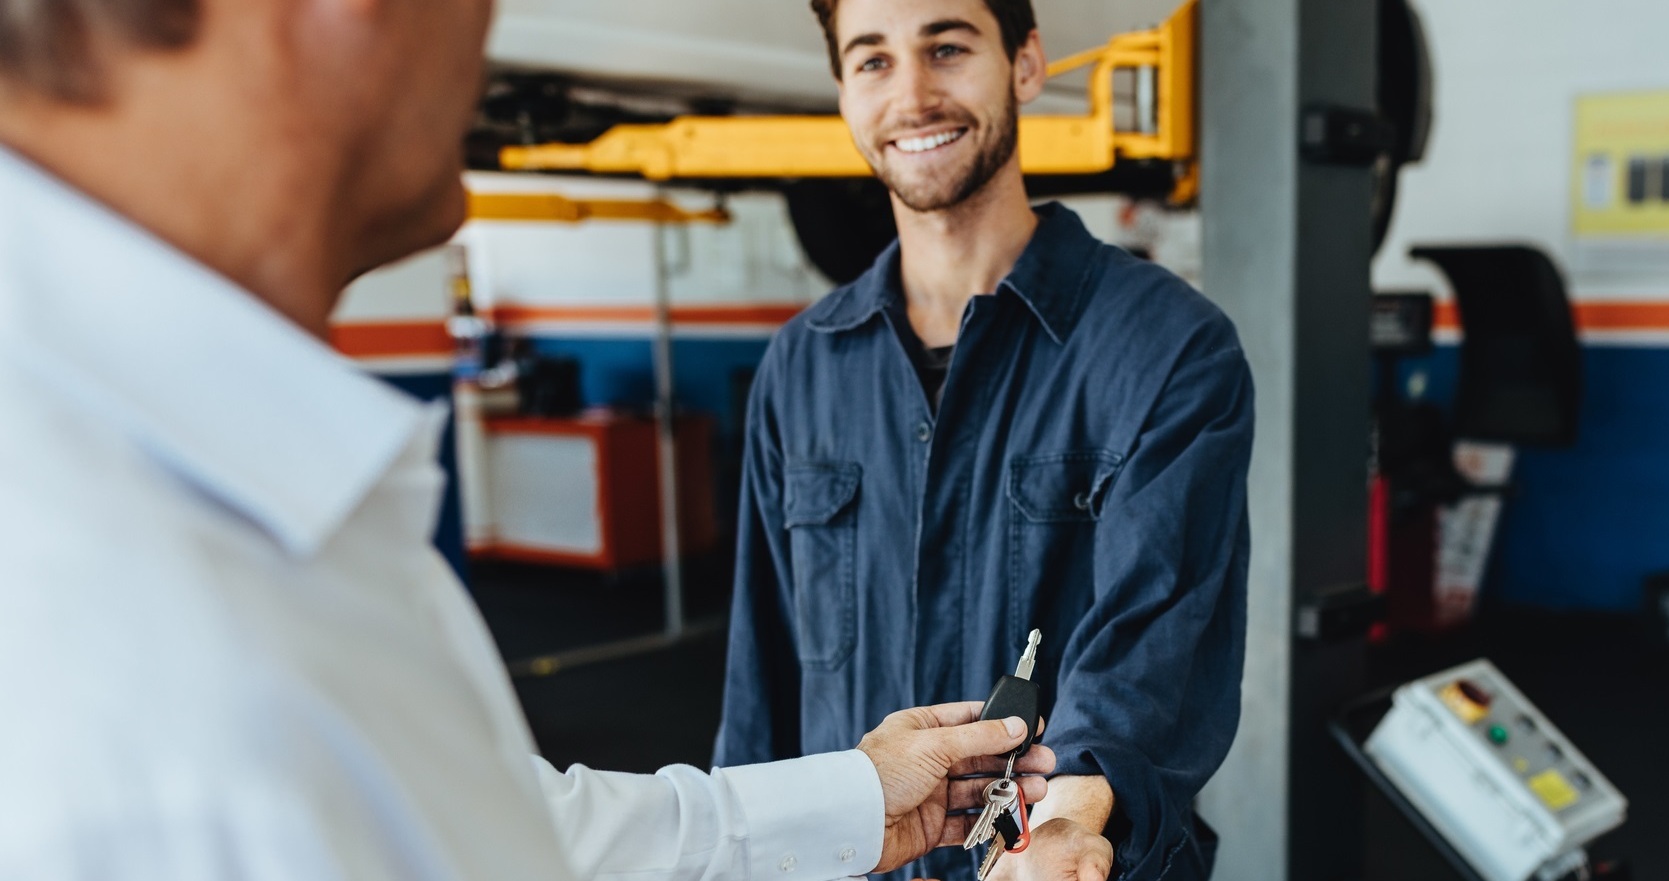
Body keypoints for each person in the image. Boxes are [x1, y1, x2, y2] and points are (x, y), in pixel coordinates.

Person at [0, 1, 1056, 878]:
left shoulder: (202, 505)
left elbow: (512, 835)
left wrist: (858, 794)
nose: (482, 27)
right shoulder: (111, 647)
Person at [713, 0, 1254, 879]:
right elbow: (761, 679)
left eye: (948, 47)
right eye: (873, 60)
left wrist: (1070, 822)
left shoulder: (1168, 346)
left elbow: (1156, 637)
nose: (913, 94)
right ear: (845, 92)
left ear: (1027, 65)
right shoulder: (802, 364)